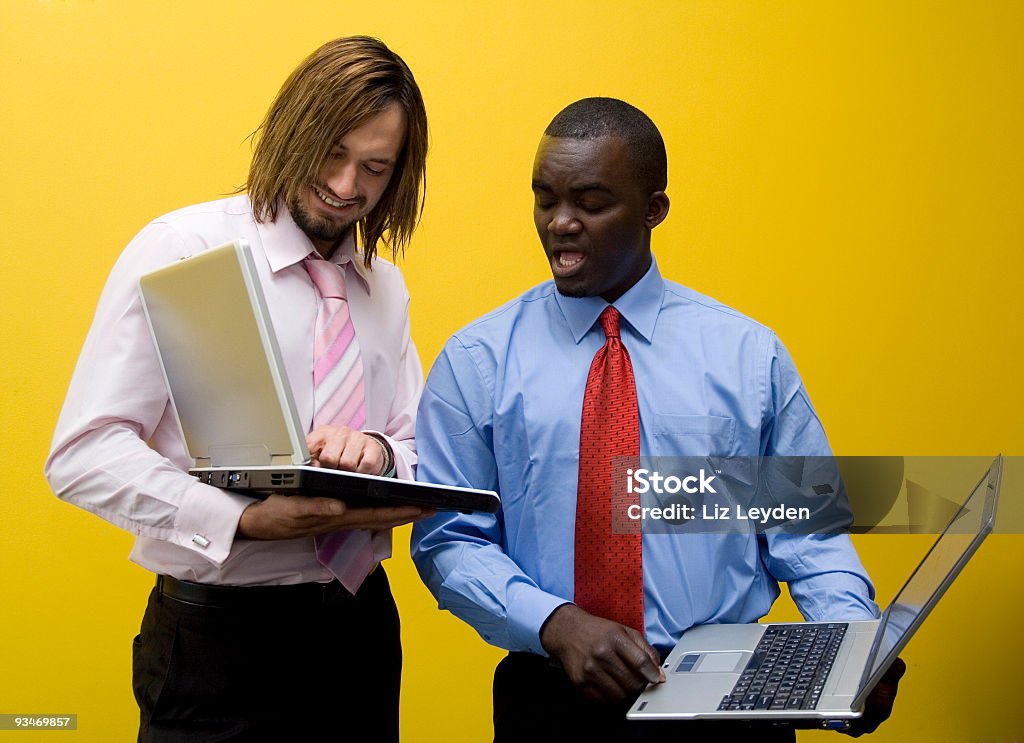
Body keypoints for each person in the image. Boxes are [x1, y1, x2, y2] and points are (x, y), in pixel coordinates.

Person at [410, 97, 904, 742]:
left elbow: (808, 535)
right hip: (550, 696)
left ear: (653, 210)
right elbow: (449, 538)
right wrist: (555, 622)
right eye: (545, 198)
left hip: (728, 700)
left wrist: (850, 652)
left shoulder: (747, 357)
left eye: (590, 203)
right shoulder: (477, 361)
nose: (560, 223)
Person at [46, 37, 430, 742]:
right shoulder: (185, 251)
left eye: (375, 168)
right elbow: (83, 453)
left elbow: (419, 448)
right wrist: (240, 520)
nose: (348, 186)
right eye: (332, 154)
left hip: (359, 630)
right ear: (292, 130)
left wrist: (375, 452)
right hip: (216, 642)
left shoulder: (384, 287)